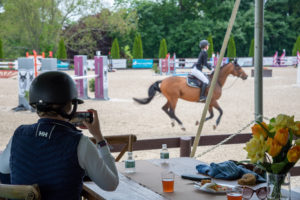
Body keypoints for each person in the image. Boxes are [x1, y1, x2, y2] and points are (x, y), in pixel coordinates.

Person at [0, 71, 119, 200]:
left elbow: (3, 171)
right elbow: (111, 184)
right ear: (69, 106)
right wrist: (99, 138)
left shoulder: (19, 135)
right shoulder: (79, 142)